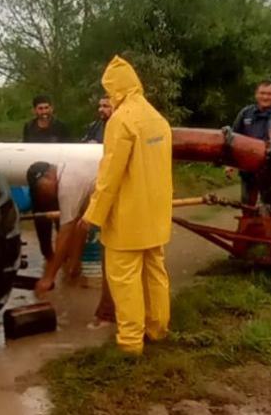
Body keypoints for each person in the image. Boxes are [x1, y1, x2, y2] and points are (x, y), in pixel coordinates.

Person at [81, 56, 173, 355]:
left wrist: (93, 214)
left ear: (117, 88)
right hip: (156, 215)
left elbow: (110, 175)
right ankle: (158, 329)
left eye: (109, 90)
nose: (109, 97)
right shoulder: (158, 119)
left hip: (128, 217)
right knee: (155, 272)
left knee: (124, 278)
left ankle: (131, 342)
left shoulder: (121, 121)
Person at [28, 161, 116, 328]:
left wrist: (48, 277)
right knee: (110, 257)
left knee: (111, 258)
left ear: (49, 176)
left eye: (41, 189)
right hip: (114, 203)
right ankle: (110, 312)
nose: (44, 196)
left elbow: (65, 232)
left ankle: (109, 315)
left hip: (122, 203)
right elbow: (80, 225)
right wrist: (75, 260)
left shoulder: (67, 186)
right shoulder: (69, 174)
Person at [226, 80, 271, 209]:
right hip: (247, 170)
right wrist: (230, 164)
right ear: (256, 94)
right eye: (262, 93)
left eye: (269, 94)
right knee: (247, 207)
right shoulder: (245, 113)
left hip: (270, 171)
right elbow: (233, 139)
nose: (265, 97)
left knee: (269, 209)